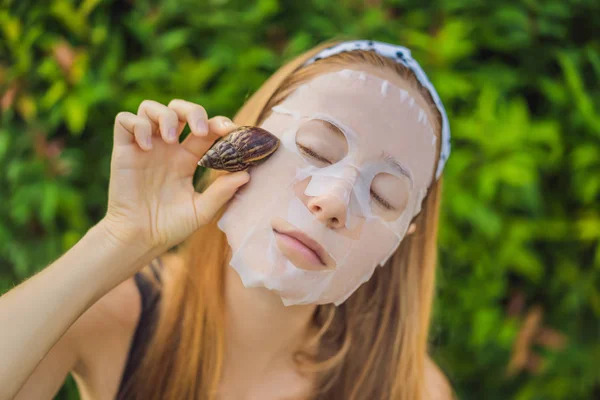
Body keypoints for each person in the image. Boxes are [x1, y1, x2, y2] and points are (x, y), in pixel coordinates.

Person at [0, 40, 453, 400]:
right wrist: (120, 239)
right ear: (249, 134)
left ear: (402, 238)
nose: (333, 201)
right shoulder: (118, 317)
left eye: (382, 195)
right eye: (314, 150)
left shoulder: (411, 391)